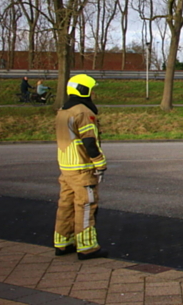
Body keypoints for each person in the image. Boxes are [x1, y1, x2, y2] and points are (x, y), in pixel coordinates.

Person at [53, 74, 108, 260]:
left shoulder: (63, 110)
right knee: (86, 205)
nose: (93, 93)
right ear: (84, 90)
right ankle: (87, 247)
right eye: (91, 89)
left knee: (65, 205)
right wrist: (100, 164)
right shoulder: (83, 112)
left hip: (66, 166)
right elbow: (90, 142)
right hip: (82, 167)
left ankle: (62, 242)